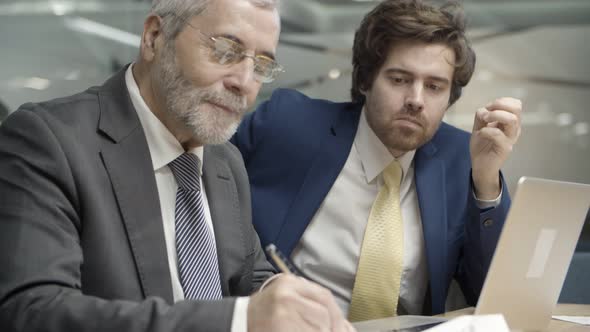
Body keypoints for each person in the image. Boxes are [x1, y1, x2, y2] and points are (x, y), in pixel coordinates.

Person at [0, 0, 354, 331]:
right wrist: (240, 320)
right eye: (225, 50)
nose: (245, 84)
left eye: (261, 65)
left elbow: (248, 274)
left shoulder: (225, 160)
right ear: (155, 38)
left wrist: (287, 296)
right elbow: (33, 311)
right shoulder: (48, 141)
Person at [232, 0, 522, 321]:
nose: (416, 100)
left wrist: (486, 180)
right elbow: (202, 200)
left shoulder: (461, 157)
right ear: (365, 80)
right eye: (399, 79)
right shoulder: (287, 124)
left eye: (435, 86)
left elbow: (492, 295)